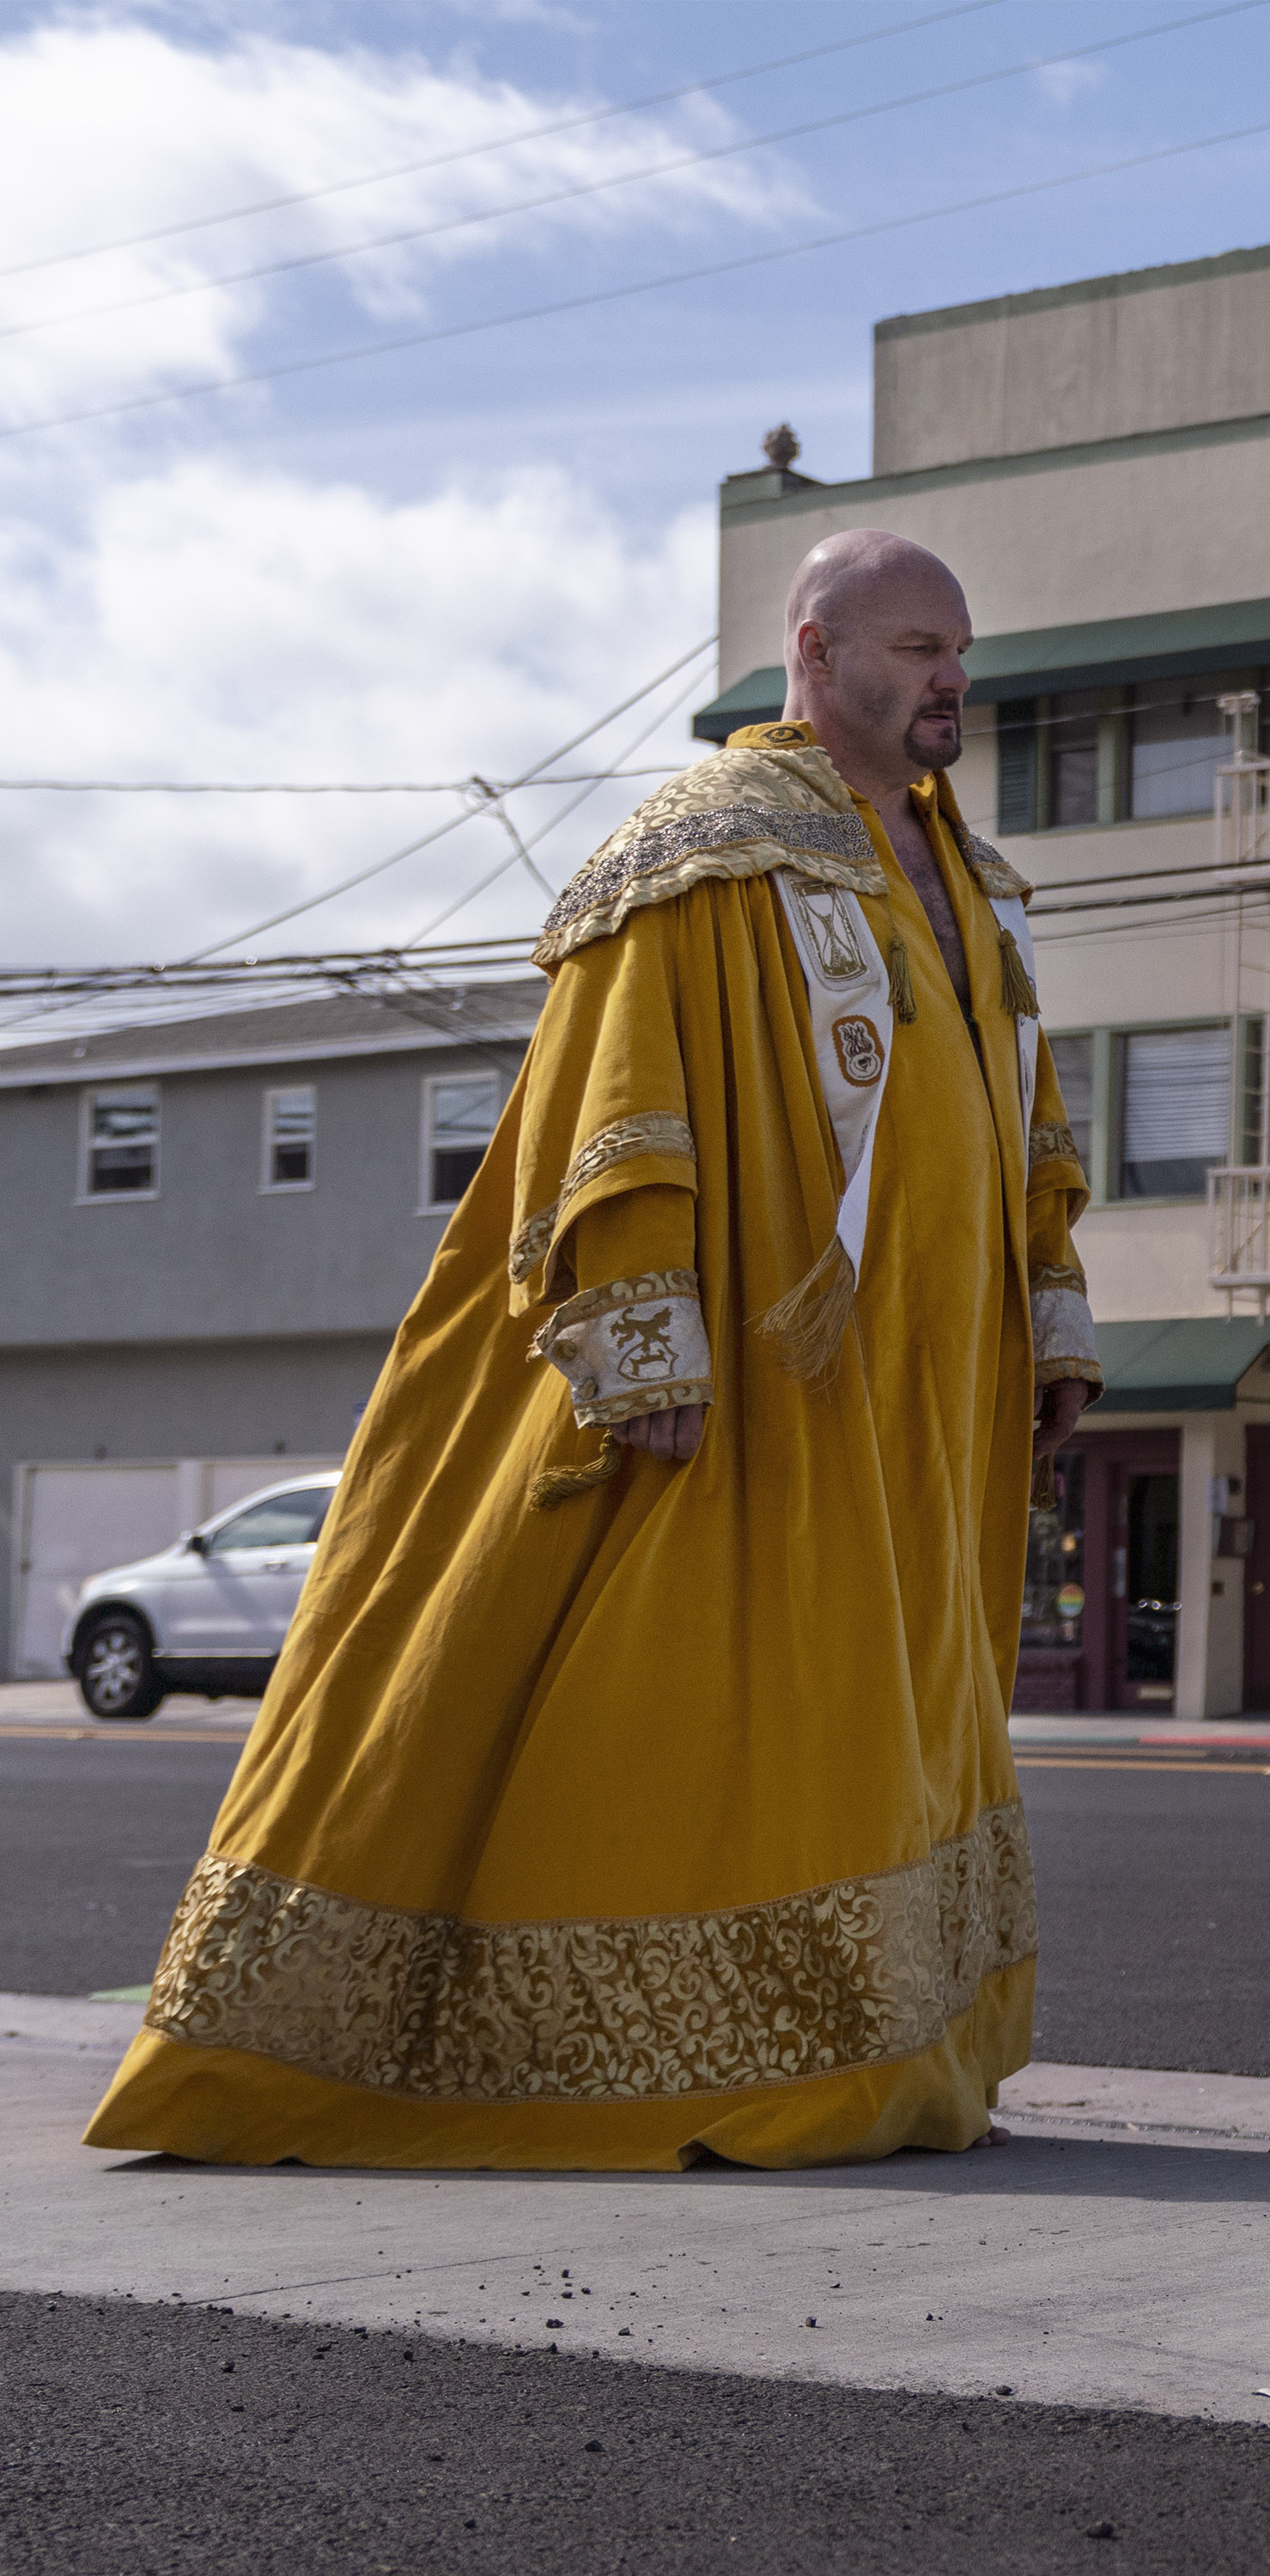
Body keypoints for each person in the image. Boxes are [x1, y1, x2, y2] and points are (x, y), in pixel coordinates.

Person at [84, 530, 1102, 2171]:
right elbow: (610, 1108)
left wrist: (1050, 1315)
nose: (950, 681)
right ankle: (698, 2046)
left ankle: (902, 2039)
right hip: (776, 1382)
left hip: (936, 1394)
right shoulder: (700, 851)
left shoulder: (969, 880)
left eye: (960, 651)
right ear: (817, 647)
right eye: (916, 647)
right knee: (727, 1705)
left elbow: (1027, 1124)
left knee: (899, 1709)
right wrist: (644, 1332)